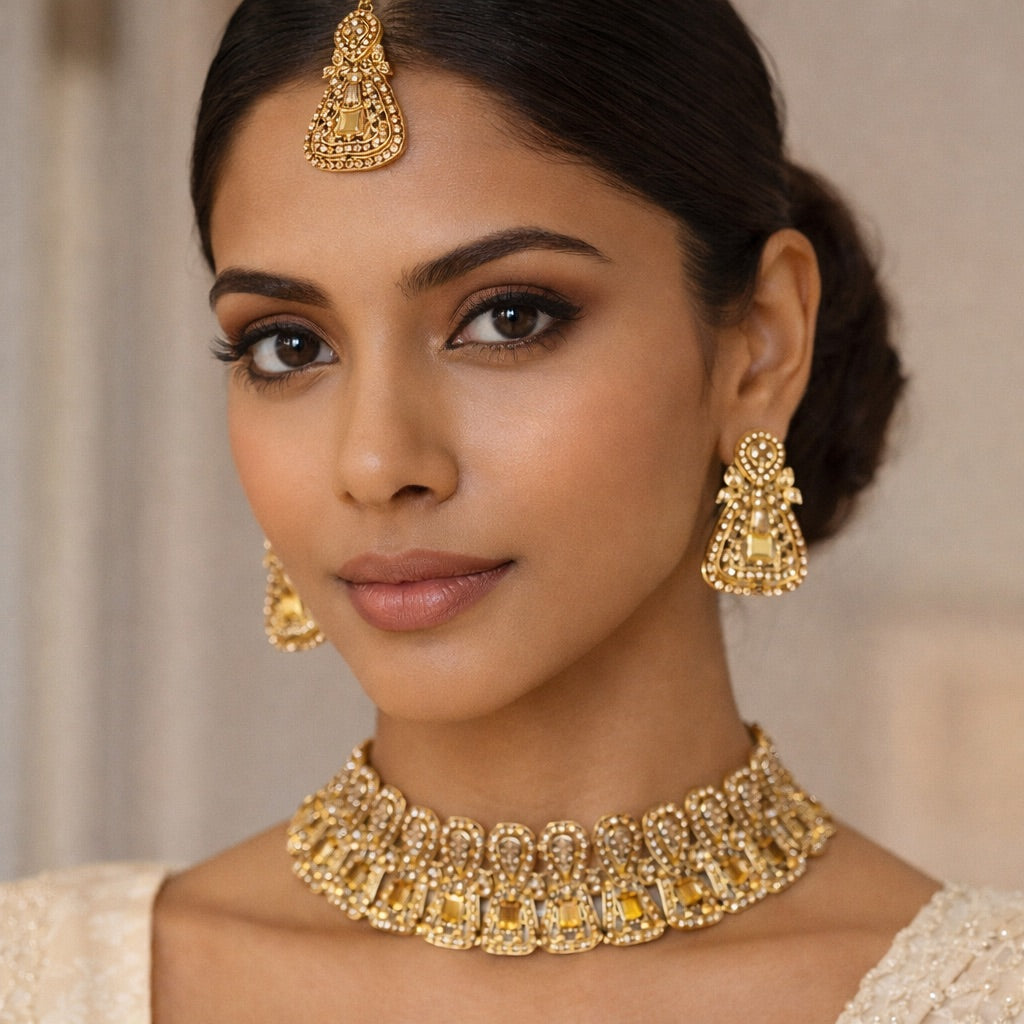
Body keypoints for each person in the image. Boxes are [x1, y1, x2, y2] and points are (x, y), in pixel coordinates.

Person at [2, 0, 1022, 1020]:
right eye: (289, 345)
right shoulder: (40, 981)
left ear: (759, 345)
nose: (375, 461)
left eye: (508, 318)